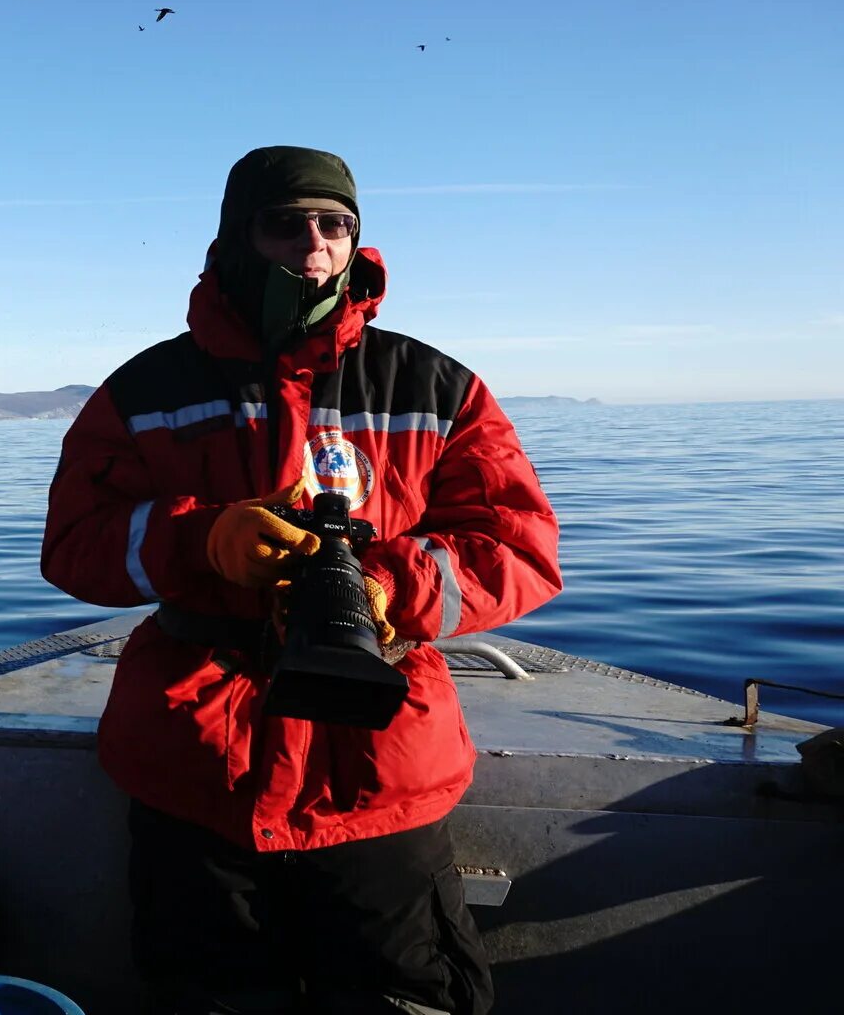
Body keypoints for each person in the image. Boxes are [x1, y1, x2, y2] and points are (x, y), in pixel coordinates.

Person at [40, 145, 561, 1014]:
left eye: (335, 223)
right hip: (198, 763)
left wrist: (389, 588)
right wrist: (203, 540)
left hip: (378, 764)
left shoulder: (436, 386)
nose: (314, 241)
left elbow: (520, 547)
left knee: (406, 1000)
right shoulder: (145, 390)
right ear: (236, 238)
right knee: (210, 999)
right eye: (286, 222)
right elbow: (73, 544)